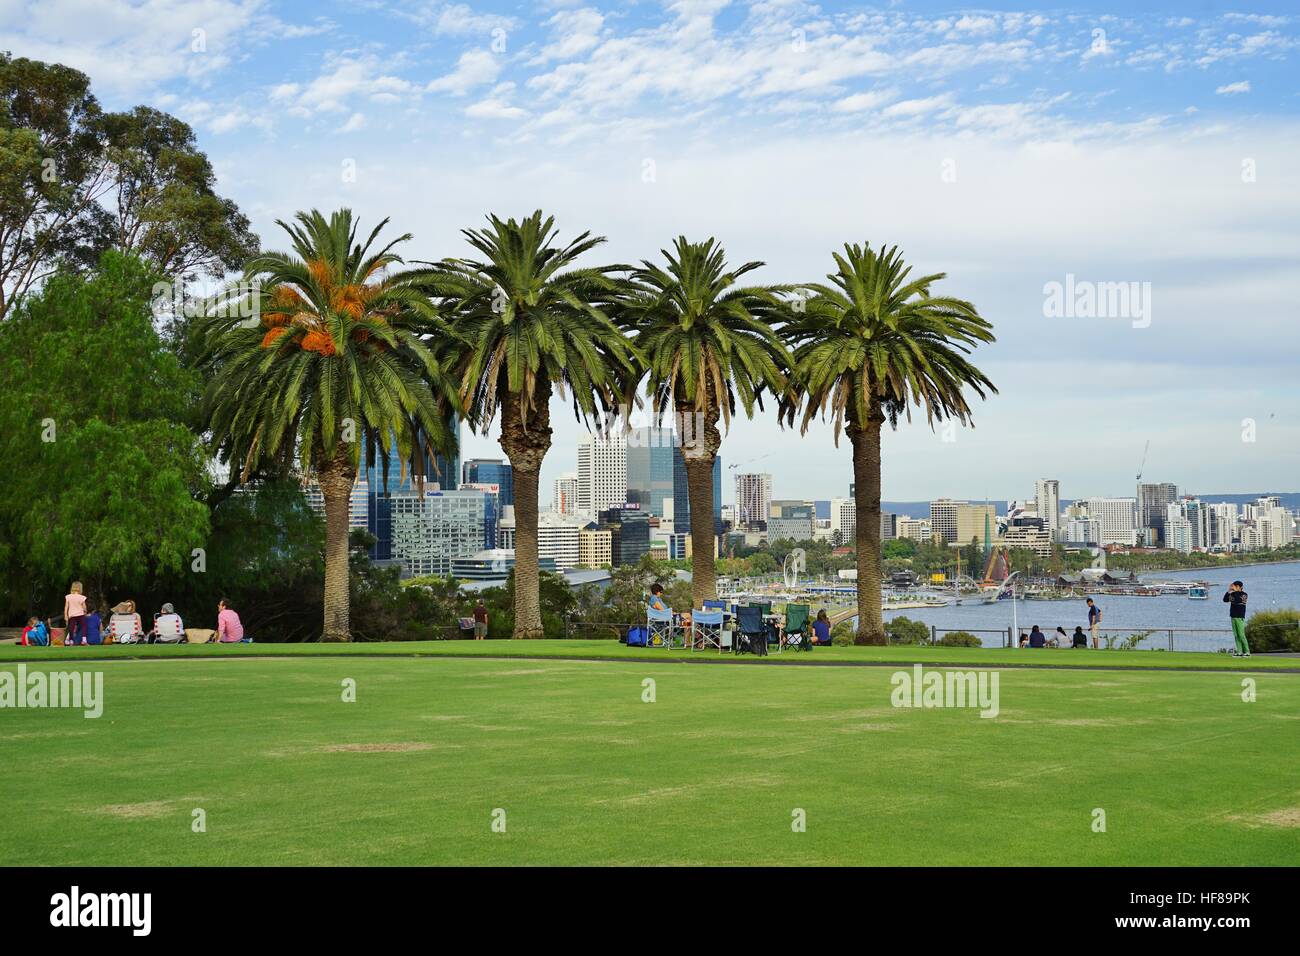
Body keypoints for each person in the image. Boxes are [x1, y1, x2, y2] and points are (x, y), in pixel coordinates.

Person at [1224, 580, 1249, 657]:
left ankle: (1247, 652)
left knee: (1241, 635)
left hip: (1240, 617)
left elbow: (1238, 600)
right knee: (1236, 635)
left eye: (1234, 586)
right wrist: (1228, 591)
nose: (1233, 587)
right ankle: (1239, 651)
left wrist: (1235, 591)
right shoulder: (1233, 594)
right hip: (1233, 616)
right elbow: (1225, 600)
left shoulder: (1244, 594)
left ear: (1238, 587)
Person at [64, 581, 88, 646]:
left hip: (72, 615)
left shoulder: (68, 597)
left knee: (71, 628)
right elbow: (84, 607)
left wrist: (65, 615)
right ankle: (84, 639)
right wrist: (85, 611)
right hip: (80, 614)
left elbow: (66, 607)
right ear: (80, 588)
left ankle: (71, 640)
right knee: (84, 626)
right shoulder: (82, 597)